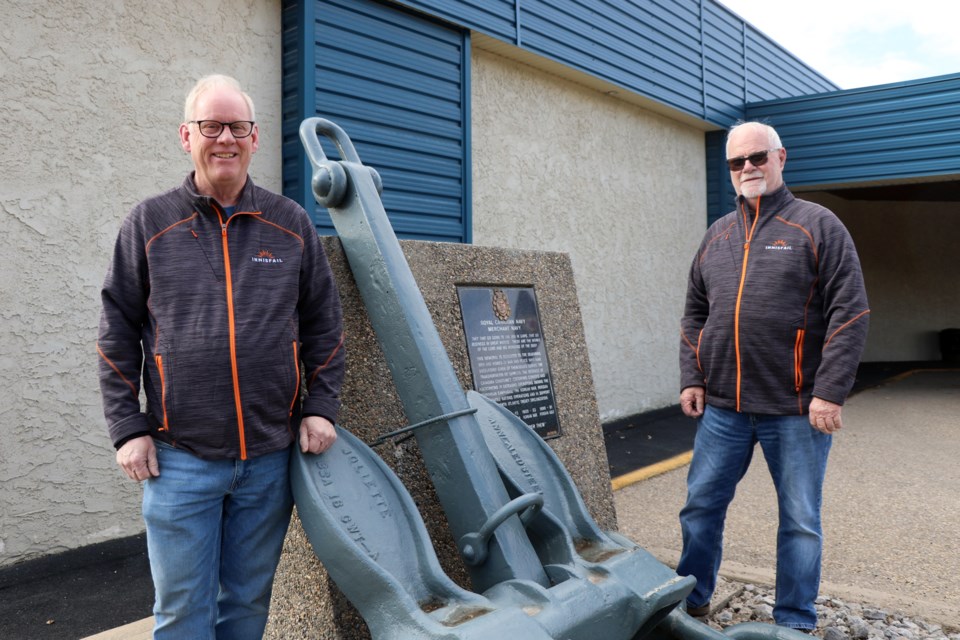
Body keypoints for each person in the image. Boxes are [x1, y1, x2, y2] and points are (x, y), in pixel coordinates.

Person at [97, 74, 345, 639]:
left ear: (255, 138)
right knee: (183, 613)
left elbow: (325, 326)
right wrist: (126, 427)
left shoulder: (290, 225)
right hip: (179, 459)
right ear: (188, 136)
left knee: (247, 607)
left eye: (237, 127)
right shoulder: (150, 224)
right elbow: (115, 329)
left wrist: (321, 407)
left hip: (268, 461)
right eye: (212, 126)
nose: (225, 138)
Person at [677, 121, 869, 631]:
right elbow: (696, 312)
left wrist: (829, 392)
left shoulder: (818, 225)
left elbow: (850, 312)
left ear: (782, 157)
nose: (747, 169)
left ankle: (794, 621)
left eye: (757, 157)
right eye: (737, 163)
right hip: (723, 409)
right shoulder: (717, 234)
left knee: (800, 523)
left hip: (796, 410)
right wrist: (692, 377)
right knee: (699, 508)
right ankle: (691, 601)